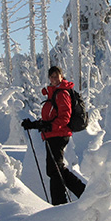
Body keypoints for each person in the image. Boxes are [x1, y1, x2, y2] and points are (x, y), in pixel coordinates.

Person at [21, 66, 87, 205]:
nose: (53, 79)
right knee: (55, 170)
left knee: (55, 169)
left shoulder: (62, 93)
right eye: (51, 77)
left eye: (56, 76)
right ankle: (66, 199)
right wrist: (34, 124)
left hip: (59, 135)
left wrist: (49, 126)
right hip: (53, 135)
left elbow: (64, 118)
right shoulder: (53, 93)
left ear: (61, 77)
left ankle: (75, 196)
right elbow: (51, 118)